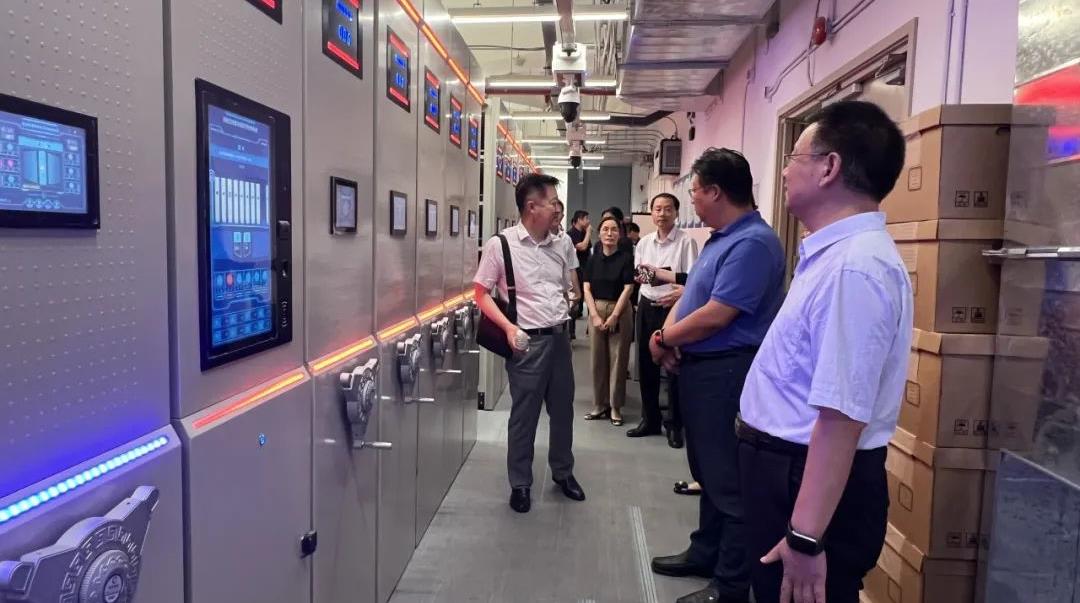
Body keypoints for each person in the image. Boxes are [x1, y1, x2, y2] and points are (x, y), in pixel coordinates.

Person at [737, 100, 911, 603]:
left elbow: (841, 417)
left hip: (804, 483)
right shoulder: (834, 256)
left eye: (794, 157)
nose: (784, 171)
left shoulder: (854, 269)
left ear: (829, 167)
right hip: (789, 475)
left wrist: (806, 537)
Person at [648, 148, 786, 603]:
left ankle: (729, 585)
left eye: (694, 192)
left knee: (727, 479)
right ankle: (705, 551)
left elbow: (718, 315)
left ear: (715, 192)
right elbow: (694, 296)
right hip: (702, 370)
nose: (691, 201)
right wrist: (667, 337)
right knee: (707, 469)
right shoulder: (721, 239)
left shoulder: (753, 244)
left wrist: (664, 339)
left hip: (727, 373)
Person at [473, 173, 586, 514]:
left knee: (563, 411)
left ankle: (563, 472)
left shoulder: (561, 244)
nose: (557, 209)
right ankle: (520, 483)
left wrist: (569, 302)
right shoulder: (501, 245)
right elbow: (480, 293)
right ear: (532, 206)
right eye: (552, 202)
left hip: (560, 339)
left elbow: (566, 284)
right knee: (524, 416)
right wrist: (508, 327)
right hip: (527, 344)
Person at [627, 193, 699, 447]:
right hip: (648, 304)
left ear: (676, 213)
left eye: (668, 209)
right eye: (657, 209)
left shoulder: (686, 242)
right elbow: (639, 274)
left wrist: (672, 285)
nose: (662, 214)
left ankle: (675, 425)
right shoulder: (644, 242)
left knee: (674, 365)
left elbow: (691, 278)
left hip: (674, 308)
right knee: (646, 364)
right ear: (652, 212)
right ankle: (650, 419)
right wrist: (646, 278)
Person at [581, 216, 636, 427]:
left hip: (619, 309)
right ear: (599, 233)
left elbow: (628, 288)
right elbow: (586, 288)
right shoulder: (593, 259)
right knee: (597, 359)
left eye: (614, 229)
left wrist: (614, 315)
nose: (609, 233)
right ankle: (599, 404)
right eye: (605, 229)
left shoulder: (626, 258)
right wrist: (594, 315)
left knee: (618, 359)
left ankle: (615, 406)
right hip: (596, 308)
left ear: (619, 234)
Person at [550, 200, 582, 311]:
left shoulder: (566, 239)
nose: (555, 216)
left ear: (562, 216)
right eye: (552, 212)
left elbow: (572, 267)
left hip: (562, 293)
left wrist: (577, 292)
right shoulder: (537, 237)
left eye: (558, 213)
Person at [567, 210, 592, 339]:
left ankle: (586, 329)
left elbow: (588, 248)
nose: (588, 221)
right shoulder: (571, 234)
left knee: (587, 297)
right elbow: (582, 247)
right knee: (574, 302)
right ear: (579, 220)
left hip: (585, 269)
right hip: (575, 271)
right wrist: (589, 233)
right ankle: (570, 332)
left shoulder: (583, 233)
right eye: (586, 218)